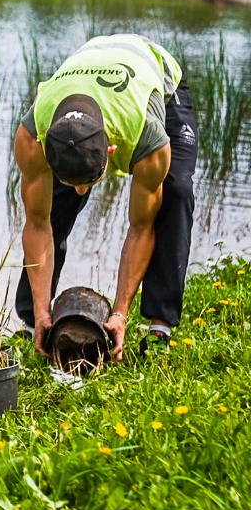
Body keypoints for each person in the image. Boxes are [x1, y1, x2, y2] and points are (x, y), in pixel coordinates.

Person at [14, 34, 197, 362]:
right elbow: (37, 224)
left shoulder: (145, 137)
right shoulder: (33, 137)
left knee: (177, 190)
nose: (83, 192)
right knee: (50, 205)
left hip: (154, 74)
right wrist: (44, 311)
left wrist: (120, 314)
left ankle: (160, 328)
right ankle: (32, 323)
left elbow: (141, 228)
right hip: (92, 60)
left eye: (89, 182)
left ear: (111, 152)